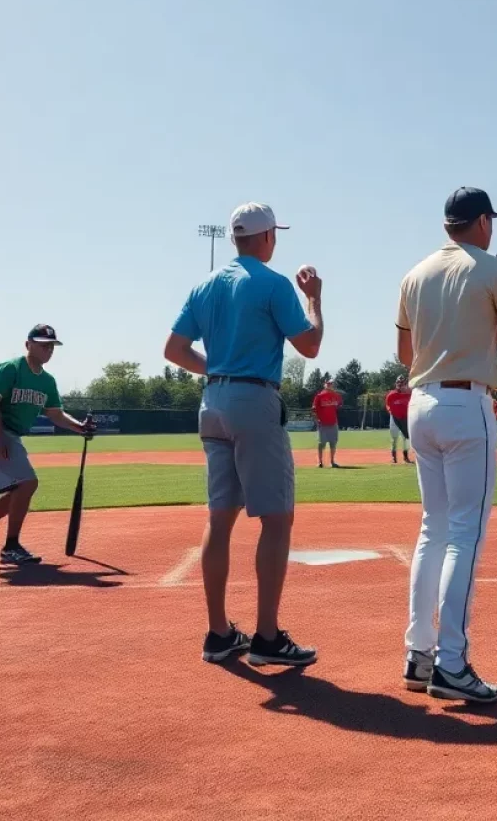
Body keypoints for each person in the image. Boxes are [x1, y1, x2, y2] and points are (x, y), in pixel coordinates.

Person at [166, 201, 323, 666]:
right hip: (254, 400)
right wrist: (314, 298)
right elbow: (310, 345)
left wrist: (215, 369)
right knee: (276, 519)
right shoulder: (273, 284)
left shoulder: (205, 285)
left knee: (220, 518)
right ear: (268, 236)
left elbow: (175, 349)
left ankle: (219, 635)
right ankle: (268, 639)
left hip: (212, 403)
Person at [397, 186, 497, 703]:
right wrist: (494, 310)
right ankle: (452, 665)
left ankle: (419, 655)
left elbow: (403, 350)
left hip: (419, 403)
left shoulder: (414, 273)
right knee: (464, 535)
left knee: (432, 530)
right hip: (465, 405)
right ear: (481, 222)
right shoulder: (492, 269)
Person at [0, 326, 96, 566]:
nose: (48, 349)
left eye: (51, 345)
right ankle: (11, 547)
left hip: (11, 435)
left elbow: (56, 414)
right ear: (28, 344)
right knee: (28, 482)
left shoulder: (47, 382)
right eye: (43, 344)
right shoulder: (11, 368)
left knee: (19, 489)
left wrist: (80, 427)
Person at [312, 380, 343, 468]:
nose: (330, 385)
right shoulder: (319, 396)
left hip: (333, 422)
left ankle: (332, 461)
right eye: (328, 384)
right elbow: (314, 409)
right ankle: (320, 462)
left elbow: (339, 405)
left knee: (333, 443)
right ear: (325, 385)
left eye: (331, 384)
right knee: (321, 443)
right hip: (322, 423)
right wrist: (316, 419)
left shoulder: (337, 396)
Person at [385, 375, 412, 464]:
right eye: (398, 383)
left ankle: (405, 457)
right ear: (396, 383)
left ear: (405, 384)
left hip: (405, 419)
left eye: (402, 383)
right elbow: (388, 405)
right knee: (394, 438)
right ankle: (394, 458)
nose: (400, 385)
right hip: (394, 418)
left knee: (405, 438)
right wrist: (391, 412)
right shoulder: (391, 394)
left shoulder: (409, 394)